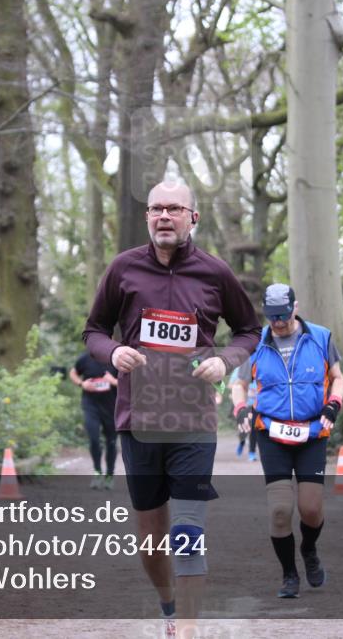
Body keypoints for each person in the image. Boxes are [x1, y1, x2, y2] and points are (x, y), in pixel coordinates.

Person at [83, 180, 261, 637]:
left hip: (192, 419)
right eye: (156, 209)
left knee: (187, 531)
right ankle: (168, 608)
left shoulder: (214, 273)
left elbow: (248, 330)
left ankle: (187, 627)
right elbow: (95, 331)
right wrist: (112, 353)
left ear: (192, 218)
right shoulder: (123, 269)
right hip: (137, 419)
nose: (164, 216)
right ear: (148, 217)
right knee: (151, 539)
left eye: (174, 209)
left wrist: (225, 361)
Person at [236, 283, 343, 599]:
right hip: (272, 433)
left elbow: (338, 377)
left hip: (312, 433)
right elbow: (240, 384)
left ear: (295, 308)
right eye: (272, 317)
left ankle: (309, 550)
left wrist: (333, 404)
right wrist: (241, 407)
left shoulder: (321, 337)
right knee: (280, 511)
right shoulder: (255, 342)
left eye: (283, 315)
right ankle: (289, 574)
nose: (278, 323)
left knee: (310, 509)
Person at [69, 352, 118, 489]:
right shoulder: (85, 358)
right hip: (91, 406)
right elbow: (73, 373)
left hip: (112, 407)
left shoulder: (116, 358)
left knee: (111, 443)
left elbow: (130, 384)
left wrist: (113, 381)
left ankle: (109, 475)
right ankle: (97, 472)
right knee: (94, 439)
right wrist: (82, 384)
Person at [228, 366, 257, 461]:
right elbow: (230, 385)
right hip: (244, 405)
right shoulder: (239, 370)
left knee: (253, 429)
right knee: (244, 428)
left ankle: (252, 452)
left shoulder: (260, 366)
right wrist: (240, 386)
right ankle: (242, 442)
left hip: (256, 405)